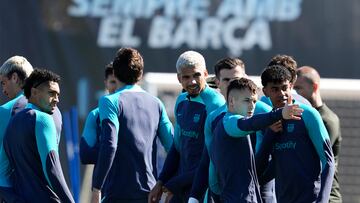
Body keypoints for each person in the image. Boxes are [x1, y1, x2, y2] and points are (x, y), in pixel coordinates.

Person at [90, 48, 173, 203]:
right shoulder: (156, 103)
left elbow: (109, 145)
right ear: (140, 74)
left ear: (114, 72)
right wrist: (170, 184)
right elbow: (173, 147)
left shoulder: (109, 101)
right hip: (149, 193)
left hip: (117, 193)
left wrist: (97, 188)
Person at [188, 57, 275, 203]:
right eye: (227, 80)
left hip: (262, 193)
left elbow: (282, 152)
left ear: (246, 79)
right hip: (226, 195)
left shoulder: (265, 113)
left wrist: (258, 180)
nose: (232, 85)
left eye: (237, 80)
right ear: (217, 83)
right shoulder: (213, 117)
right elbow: (208, 159)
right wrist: (195, 196)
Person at [148, 51, 225, 203]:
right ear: (179, 78)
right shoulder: (181, 100)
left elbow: (214, 159)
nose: (192, 82)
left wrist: (175, 183)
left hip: (204, 189)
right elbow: (177, 148)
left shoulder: (215, 103)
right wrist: (160, 181)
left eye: (196, 75)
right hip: (181, 186)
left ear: (205, 73)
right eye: (186, 77)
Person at [210, 78, 302, 202]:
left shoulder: (236, 128)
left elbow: (253, 171)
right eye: (247, 100)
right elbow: (249, 124)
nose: (252, 106)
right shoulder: (230, 122)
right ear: (231, 102)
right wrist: (280, 114)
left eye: (254, 101)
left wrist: (270, 134)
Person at [257, 65, 335, 202]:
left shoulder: (309, 114)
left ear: (291, 86)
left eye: (284, 88)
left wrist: (322, 200)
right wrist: (269, 135)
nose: (282, 93)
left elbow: (328, 161)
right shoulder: (268, 122)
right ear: (265, 91)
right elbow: (262, 172)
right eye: (275, 89)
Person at [3, 69, 74, 202]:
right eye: (52, 93)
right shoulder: (43, 119)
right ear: (34, 92)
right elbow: (52, 169)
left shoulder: (12, 123)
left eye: (58, 95)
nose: (57, 100)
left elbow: (2, 173)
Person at [294, 66, 342, 203]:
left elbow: (314, 158)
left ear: (314, 87)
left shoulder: (328, 120)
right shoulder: (299, 116)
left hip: (328, 197)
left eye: (299, 88)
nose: (295, 93)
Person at [80, 63, 121, 164]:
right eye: (112, 82)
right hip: (106, 179)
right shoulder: (95, 115)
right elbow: (86, 155)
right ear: (106, 84)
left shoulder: (140, 112)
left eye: (120, 83)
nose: (116, 87)